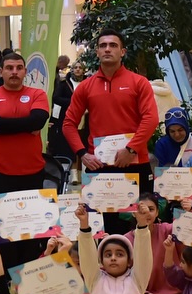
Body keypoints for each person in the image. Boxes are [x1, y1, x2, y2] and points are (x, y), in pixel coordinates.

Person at [61, 29, 160, 197]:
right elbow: (68, 124)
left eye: (113, 45)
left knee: (141, 220)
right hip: (98, 165)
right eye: (103, 45)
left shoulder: (139, 82)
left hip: (135, 162)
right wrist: (83, 154)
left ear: (122, 52)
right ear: (97, 52)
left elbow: (151, 119)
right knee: (100, 222)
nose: (107, 49)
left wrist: (130, 150)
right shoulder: (85, 86)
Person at [0, 52, 50, 197]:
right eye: (9, 68)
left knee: (32, 219)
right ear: (0, 72)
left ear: (25, 72)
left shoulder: (38, 94)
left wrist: (0, 122)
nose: (14, 72)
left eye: (19, 68)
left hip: (32, 172)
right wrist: (27, 125)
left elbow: (38, 121)